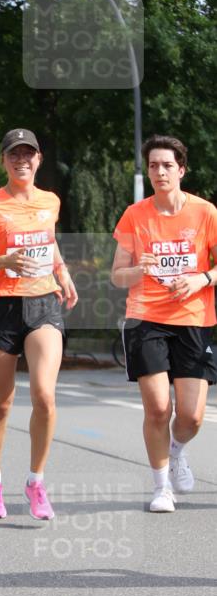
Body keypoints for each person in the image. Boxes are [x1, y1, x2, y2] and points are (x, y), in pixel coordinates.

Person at [0, 128, 78, 522]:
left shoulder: (50, 201)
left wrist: (63, 273)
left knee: (44, 395)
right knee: (2, 403)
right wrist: (3, 262)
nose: (21, 161)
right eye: (14, 155)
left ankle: (36, 480)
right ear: (4, 160)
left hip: (43, 303)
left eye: (28, 154)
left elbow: (50, 240)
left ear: (38, 159)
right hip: (2, 308)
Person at [111, 134, 217, 512]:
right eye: (153, 165)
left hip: (193, 319)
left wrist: (200, 279)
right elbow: (117, 276)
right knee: (158, 409)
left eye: (167, 165)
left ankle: (177, 452)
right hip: (146, 319)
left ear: (181, 169)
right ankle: (161, 488)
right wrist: (138, 269)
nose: (160, 172)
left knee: (190, 416)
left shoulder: (205, 213)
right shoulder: (135, 215)